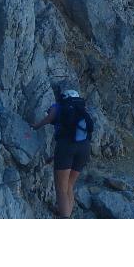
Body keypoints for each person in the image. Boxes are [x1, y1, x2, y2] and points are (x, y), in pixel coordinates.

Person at [31, 88, 93, 218]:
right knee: (69, 184)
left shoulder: (59, 106)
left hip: (66, 148)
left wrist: (35, 126)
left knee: (61, 188)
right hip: (85, 148)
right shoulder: (82, 109)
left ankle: (64, 217)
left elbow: (49, 118)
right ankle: (68, 213)